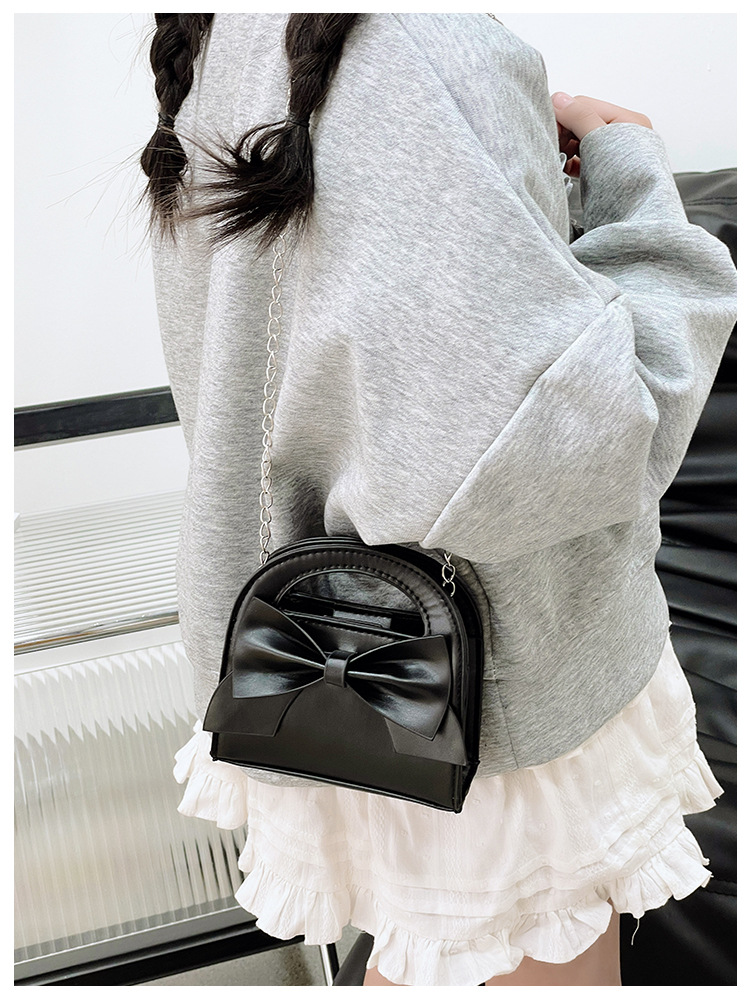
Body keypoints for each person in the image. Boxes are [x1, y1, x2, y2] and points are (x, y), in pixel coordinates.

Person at [141, 13, 736, 987]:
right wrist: (632, 173)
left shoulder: (226, 33)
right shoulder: (422, 44)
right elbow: (574, 441)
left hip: (309, 658)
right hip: (484, 682)